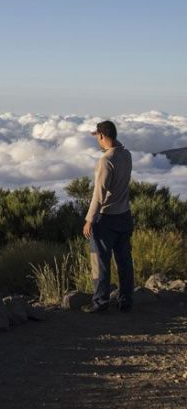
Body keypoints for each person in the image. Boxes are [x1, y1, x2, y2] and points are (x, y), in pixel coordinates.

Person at [82, 120, 134, 313]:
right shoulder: (126, 154)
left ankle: (100, 303)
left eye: (97, 136)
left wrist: (89, 219)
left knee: (101, 262)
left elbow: (99, 193)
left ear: (102, 136)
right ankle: (126, 300)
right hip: (125, 215)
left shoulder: (106, 160)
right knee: (124, 261)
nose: (97, 139)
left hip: (107, 219)